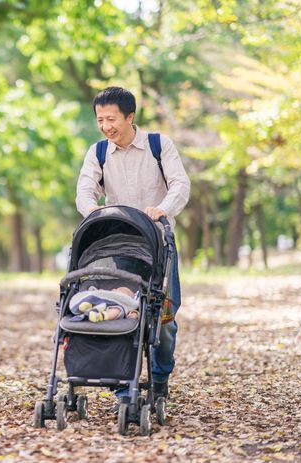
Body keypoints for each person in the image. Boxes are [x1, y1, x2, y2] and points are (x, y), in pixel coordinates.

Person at [75, 86, 190, 408]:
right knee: (123, 311)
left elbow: (180, 183)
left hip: (158, 242)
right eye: (100, 120)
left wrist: (164, 208)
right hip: (118, 244)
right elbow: (85, 188)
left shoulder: (158, 145)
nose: (105, 126)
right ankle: (124, 386)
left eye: (111, 119)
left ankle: (159, 377)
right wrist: (92, 210)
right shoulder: (98, 152)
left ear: (130, 116)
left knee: (164, 320)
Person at [69, 286, 139, 323]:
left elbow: (134, 311)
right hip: (105, 302)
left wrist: (134, 314)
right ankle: (88, 307)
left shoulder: (129, 302)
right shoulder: (110, 293)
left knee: (116, 310)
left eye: (122, 291)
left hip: (117, 306)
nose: (116, 290)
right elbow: (101, 294)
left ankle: (100, 316)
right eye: (116, 289)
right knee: (97, 300)